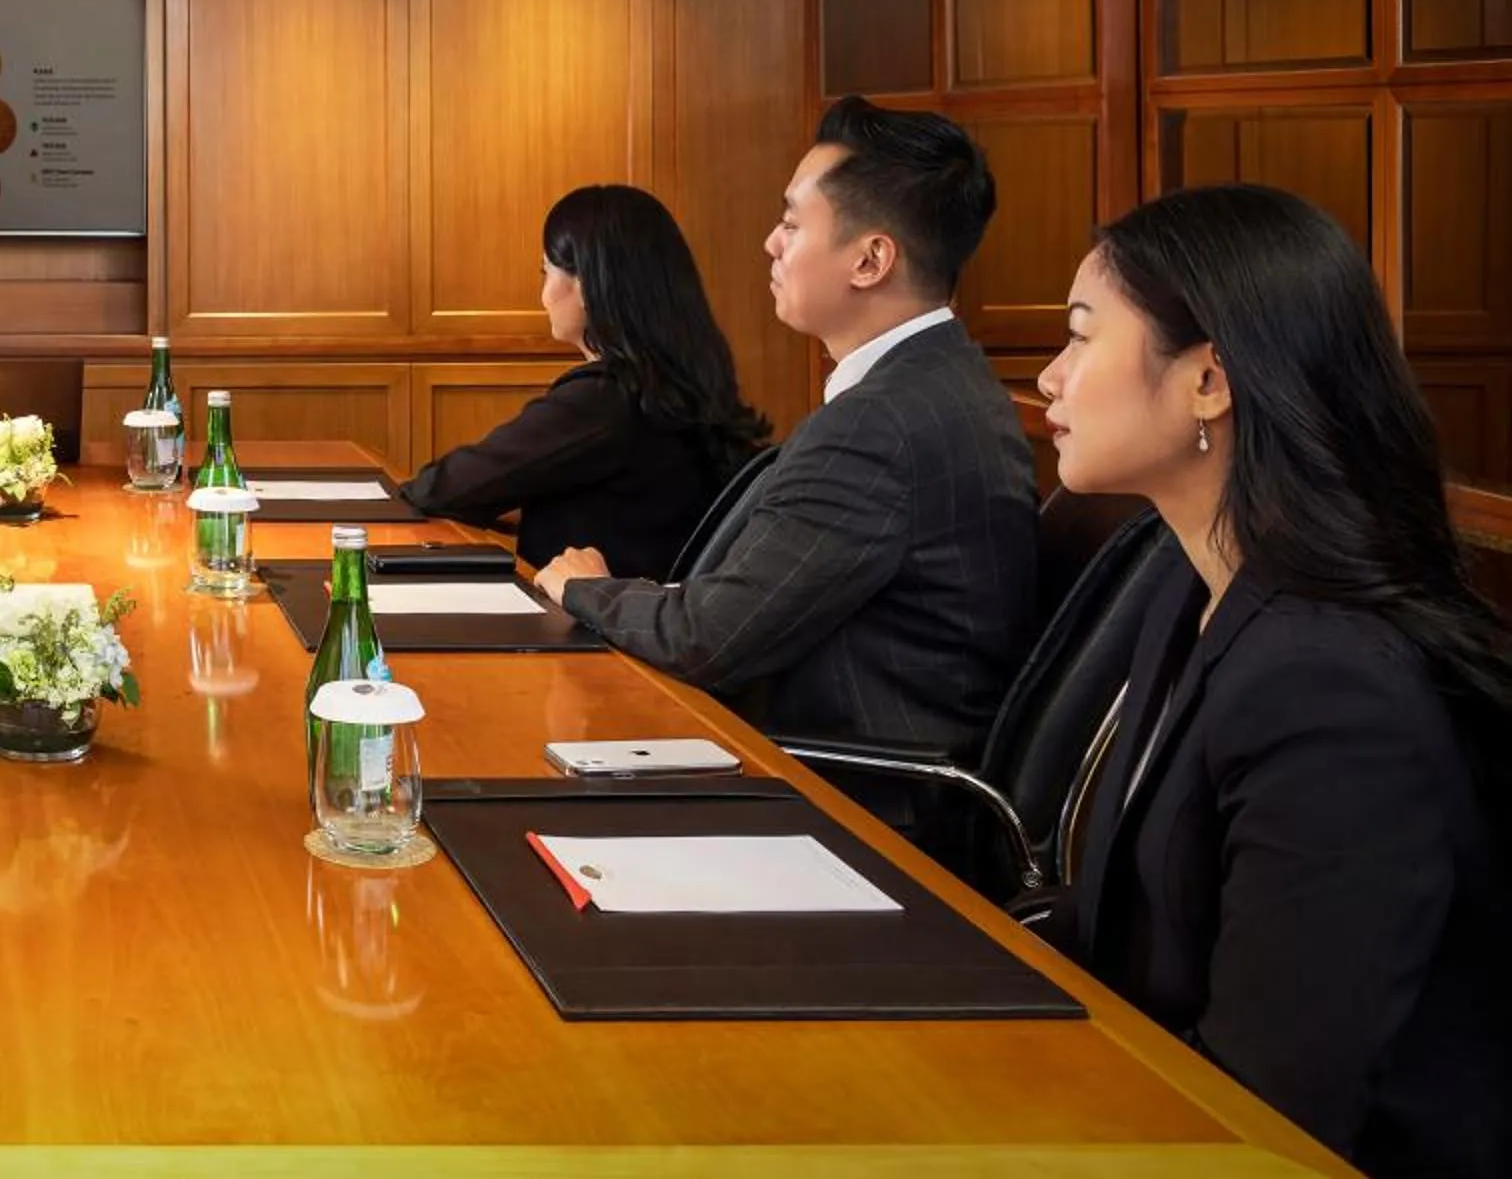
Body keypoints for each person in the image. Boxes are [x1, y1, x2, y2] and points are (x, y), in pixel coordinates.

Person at [1036, 186, 1509, 1179]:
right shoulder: (1191, 587)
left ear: (1208, 378)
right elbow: (1110, 920)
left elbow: (1273, 1111)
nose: (1049, 378)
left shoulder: (1330, 690)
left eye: (1081, 339)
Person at [533, 99, 1037, 863]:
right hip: (835, 774)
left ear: (870, 260)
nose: (770, 243)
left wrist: (585, 587)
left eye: (792, 223)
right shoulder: (933, 384)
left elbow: (709, 638)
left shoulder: (886, 423)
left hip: (859, 817)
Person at [401, 185, 769, 578]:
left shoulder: (603, 399)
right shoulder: (674, 379)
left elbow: (440, 489)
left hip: (595, 628)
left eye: (546, 272)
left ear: (587, 285)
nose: (543, 296)